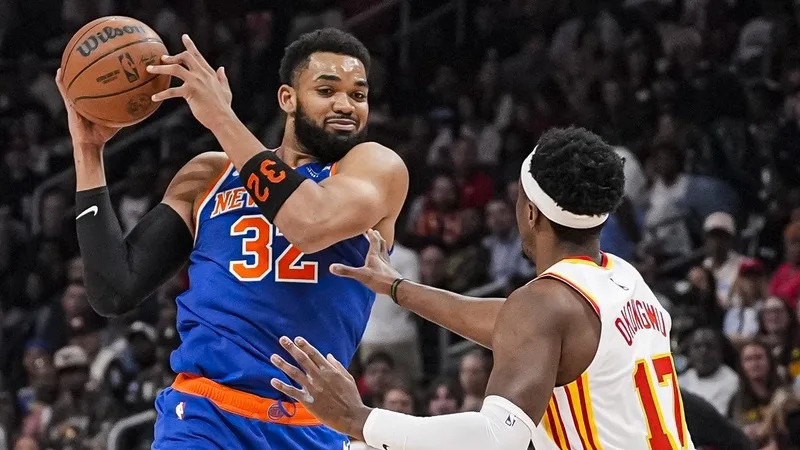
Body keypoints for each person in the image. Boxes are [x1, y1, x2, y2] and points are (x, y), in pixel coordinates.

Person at [56, 28, 408, 449]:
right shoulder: (209, 174)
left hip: (310, 423)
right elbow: (114, 291)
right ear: (288, 99)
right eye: (327, 90)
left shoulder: (374, 167)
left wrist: (221, 117)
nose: (345, 105)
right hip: (204, 417)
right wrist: (88, 151)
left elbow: (309, 223)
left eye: (358, 94)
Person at [269, 127, 696, 449]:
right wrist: (397, 287)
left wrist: (359, 418)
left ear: (530, 213)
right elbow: (510, 322)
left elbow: (496, 438)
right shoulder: (623, 279)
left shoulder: (546, 305)